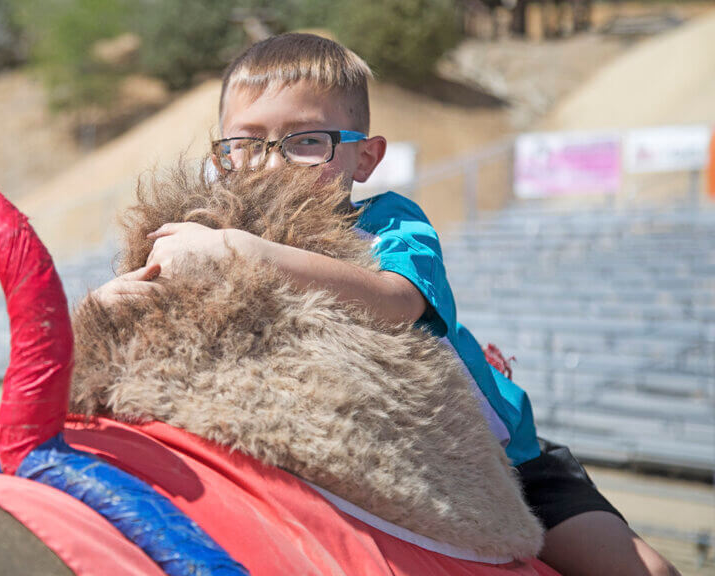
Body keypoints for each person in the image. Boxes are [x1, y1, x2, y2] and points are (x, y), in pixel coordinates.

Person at [92, 32, 679, 576]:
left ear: (364, 158)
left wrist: (240, 249)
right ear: (221, 156)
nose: (270, 163)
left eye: (305, 142)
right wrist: (107, 302)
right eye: (246, 143)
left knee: (639, 570)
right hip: (369, 444)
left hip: (507, 459)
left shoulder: (389, 226)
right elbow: (151, 297)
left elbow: (399, 301)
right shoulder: (208, 230)